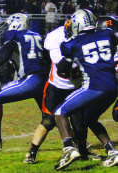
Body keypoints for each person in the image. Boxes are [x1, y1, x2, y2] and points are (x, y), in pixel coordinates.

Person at [24, 18, 100, 164]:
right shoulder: (56, 38)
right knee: (49, 121)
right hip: (57, 87)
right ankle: (32, 152)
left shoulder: (86, 39)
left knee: (79, 124)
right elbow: (63, 68)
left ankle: (82, 151)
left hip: (76, 87)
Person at [53, 9, 118, 170]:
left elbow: (62, 69)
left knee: (59, 111)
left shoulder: (72, 43)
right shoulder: (108, 33)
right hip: (113, 86)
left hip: (93, 86)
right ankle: (112, 152)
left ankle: (69, 148)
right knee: (90, 119)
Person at [0, 13, 48, 151]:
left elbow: (4, 54)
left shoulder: (16, 36)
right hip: (44, 78)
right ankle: (76, 142)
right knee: (51, 115)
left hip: (30, 79)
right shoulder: (38, 36)